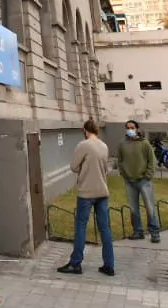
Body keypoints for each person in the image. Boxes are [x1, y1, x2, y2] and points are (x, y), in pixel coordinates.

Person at [58, 119, 114, 277]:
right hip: (102, 191)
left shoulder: (83, 145)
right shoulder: (104, 146)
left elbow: (73, 166)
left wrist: (85, 168)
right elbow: (106, 169)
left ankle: (75, 263)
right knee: (105, 228)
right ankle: (109, 265)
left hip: (86, 192)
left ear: (85, 130)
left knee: (81, 227)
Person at [116, 120, 160, 243]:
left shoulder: (144, 143)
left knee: (149, 207)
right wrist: (124, 173)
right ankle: (138, 231)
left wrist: (148, 176)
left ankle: (155, 232)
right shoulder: (122, 144)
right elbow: (120, 160)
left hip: (144, 180)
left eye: (132, 127)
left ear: (137, 129)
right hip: (129, 181)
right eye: (127, 128)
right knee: (133, 208)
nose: (130, 130)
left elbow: (152, 161)